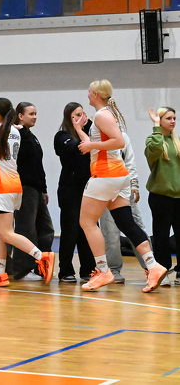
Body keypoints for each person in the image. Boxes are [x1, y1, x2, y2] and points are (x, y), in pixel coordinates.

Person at [74, 79, 166, 292]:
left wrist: (91, 144)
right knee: (126, 223)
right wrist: (80, 130)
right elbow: (96, 146)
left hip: (106, 175)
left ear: (96, 94)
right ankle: (153, 266)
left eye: (89, 91)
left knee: (87, 222)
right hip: (118, 176)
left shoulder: (101, 115)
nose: (87, 94)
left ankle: (103, 270)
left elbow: (118, 141)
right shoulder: (106, 114)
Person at [0, 97, 55, 287]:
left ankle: (42, 257)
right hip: (14, 185)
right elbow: (0, 133)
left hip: (1, 187)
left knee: (6, 232)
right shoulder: (15, 132)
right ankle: (0, 273)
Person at [10, 102, 55, 281]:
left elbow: (37, 164)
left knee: (46, 229)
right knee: (26, 229)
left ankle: (41, 266)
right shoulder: (17, 135)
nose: (35, 117)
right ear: (20, 116)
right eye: (31, 114)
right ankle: (22, 270)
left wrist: (44, 189)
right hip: (24, 188)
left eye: (36, 113)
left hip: (36, 189)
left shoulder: (31, 136)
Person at [54, 102, 95, 283]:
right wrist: (79, 129)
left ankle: (88, 269)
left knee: (88, 229)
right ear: (69, 117)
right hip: (69, 189)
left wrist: (88, 124)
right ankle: (65, 270)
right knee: (70, 230)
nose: (82, 117)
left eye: (83, 114)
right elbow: (78, 148)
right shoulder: (62, 135)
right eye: (77, 115)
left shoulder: (89, 133)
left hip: (88, 188)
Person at [98, 130, 146, 284]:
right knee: (110, 232)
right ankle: (113, 269)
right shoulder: (95, 138)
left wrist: (134, 184)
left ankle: (150, 267)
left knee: (137, 227)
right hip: (105, 189)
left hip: (124, 188)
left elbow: (130, 161)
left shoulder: (123, 136)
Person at [145, 106, 180, 286]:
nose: (173, 121)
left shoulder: (177, 142)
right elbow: (156, 149)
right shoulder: (153, 140)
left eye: (174, 118)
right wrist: (156, 127)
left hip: (178, 197)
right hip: (160, 197)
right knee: (161, 236)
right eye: (168, 118)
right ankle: (163, 271)